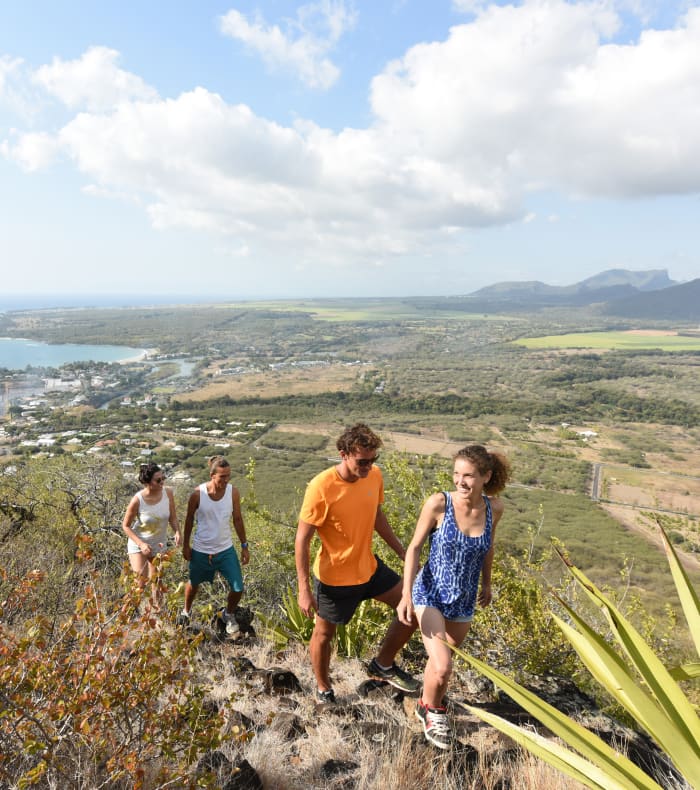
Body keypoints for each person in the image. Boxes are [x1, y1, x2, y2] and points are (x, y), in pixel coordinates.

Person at [295, 423, 419, 704]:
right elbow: (301, 541)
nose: (368, 466)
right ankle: (324, 688)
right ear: (343, 454)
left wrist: (402, 552)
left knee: (413, 608)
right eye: (362, 461)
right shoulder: (321, 487)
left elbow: (376, 515)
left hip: (369, 568)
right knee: (324, 634)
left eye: (373, 460)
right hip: (335, 578)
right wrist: (304, 589)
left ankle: (383, 664)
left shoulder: (373, 476)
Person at [397, 445, 510, 749]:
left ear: (486, 476)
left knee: (438, 666)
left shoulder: (494, 509)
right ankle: (435, 713)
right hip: (430, 593)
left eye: (469, 476)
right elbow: (414, 548)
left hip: (463, 600)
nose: (460, 482)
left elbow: (488, 547)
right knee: (444, 666)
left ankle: (424, 703)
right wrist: (406, 595)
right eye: (456, 474)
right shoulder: (439, 504)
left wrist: (487, 584)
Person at [179, 456, 250, 634]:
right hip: (201, 549)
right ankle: (186, 611)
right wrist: (186, 546)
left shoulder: (233, 492)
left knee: (238, 587)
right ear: (212, 475)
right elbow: (188, 520)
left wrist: (244, 545)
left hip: (225, 549)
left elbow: (238, 519)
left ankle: (228, 614)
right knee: (194, 583)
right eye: (222, 477)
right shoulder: (198, 494)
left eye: (228, 476)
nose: (226, 480)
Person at [122, 462, 181, 608]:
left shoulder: (168, 493)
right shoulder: (137, 500)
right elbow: (126, 526)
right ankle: (124, 617)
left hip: (158, 544)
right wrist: (141, 544)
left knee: (158, 582)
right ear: (148, 482)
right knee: (140, 584)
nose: (162, 482)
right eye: (158, 480)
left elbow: (172, 517)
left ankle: (159, 618)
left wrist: (177, 532)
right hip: (139, 544)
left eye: (163, 478)